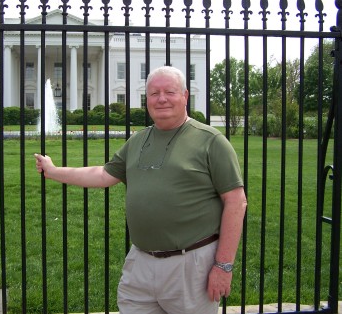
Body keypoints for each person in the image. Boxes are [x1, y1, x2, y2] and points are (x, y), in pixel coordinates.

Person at [35, 66, 247, 314]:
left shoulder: (211, 141)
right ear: (147, 99)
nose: (162, 98)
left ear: (185, 96)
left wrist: (223, 266)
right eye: (154, 93)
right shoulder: (138, 140)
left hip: (190, 264)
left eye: (170, 91)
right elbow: (104, 174)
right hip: (141, 262)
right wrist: (54, 171)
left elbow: (236, 201)